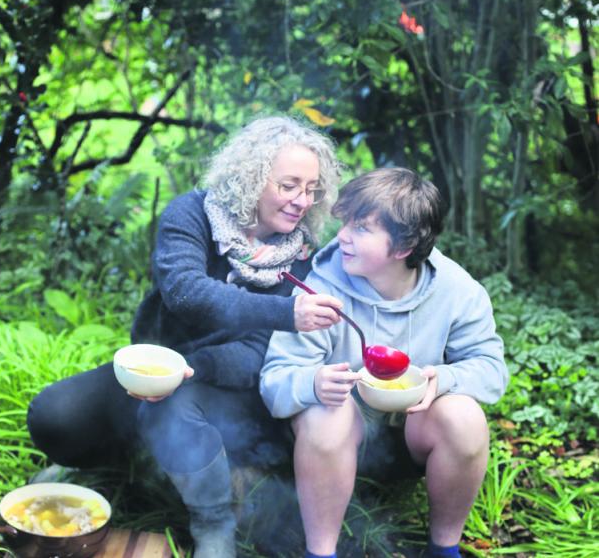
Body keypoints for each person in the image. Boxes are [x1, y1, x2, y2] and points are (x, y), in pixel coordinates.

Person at [27, 116, 344, 558]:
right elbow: (186, 293)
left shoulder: (302, 258)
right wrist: (284, 310)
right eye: (289, 185)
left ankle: (213, 521)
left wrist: (197, 371)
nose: (302, 201)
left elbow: (259, 352)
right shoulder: (192, 214)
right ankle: (106, 468)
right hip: (154, 365)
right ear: (252, 178)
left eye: (311, 189)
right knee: (55, 415)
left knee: (173, 411)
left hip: (229, 390)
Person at [260, 167, 509, 558]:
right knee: (328, 412)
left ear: (403, 246)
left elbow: (492, 370)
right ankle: (320, 552)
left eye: (361, 228)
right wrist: (313, 383)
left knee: (465, 417)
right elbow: (275, 377)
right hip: (336, 445)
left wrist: (439, 379)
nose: (342, 236)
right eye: (345, 223)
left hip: (416, 439)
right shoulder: (320, 290)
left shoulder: (459, 292)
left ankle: (444, 549)